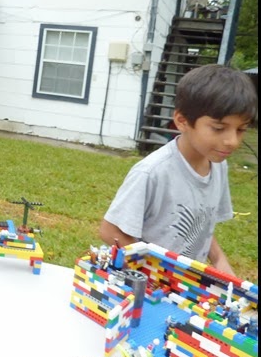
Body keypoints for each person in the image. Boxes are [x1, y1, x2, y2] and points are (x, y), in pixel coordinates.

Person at [99, 64, 257, 276]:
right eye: (219, 128)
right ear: (182, 121)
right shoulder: (152, 172)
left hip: (188, 282)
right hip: (156, 284)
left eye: (241, 129)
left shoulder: (218, 165)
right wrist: (156, 274)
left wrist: (219, 261)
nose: (232, 141)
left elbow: (201, 225)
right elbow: (110, 230)